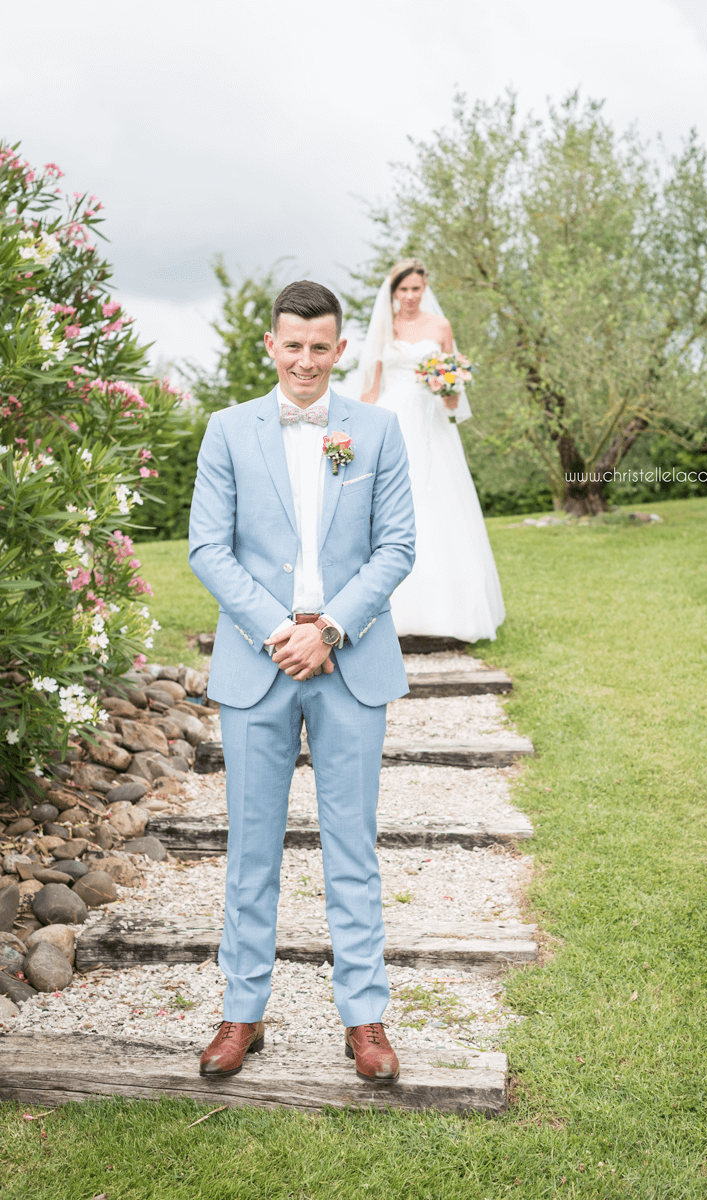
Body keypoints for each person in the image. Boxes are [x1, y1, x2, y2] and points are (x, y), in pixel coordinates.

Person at [188, 280, 415, 1082]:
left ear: (340, 348)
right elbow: (207, 548)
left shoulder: (377, 430)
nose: (306, 361)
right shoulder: (226, 430)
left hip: (350, 662)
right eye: (293, 345)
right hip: (258, 663)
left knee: (351, 847)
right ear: (270, 346)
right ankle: (241, 1013)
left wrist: (329, 629)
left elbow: (396, 548)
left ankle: (366, 1020)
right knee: (251, 851)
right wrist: (278, 631)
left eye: (321, 347)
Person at [356, 258, 505, 642]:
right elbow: (370, 390)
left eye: (415, 289)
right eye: (402, 289)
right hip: (391, 419)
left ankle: (445, 612)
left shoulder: (440, 327)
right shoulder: (382, 328)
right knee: (389, 501)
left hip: (430, 425)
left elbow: (454, 397)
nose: (409, 296)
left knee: (438, 501)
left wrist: (448, 387)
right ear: (392, 292)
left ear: (425, 289)